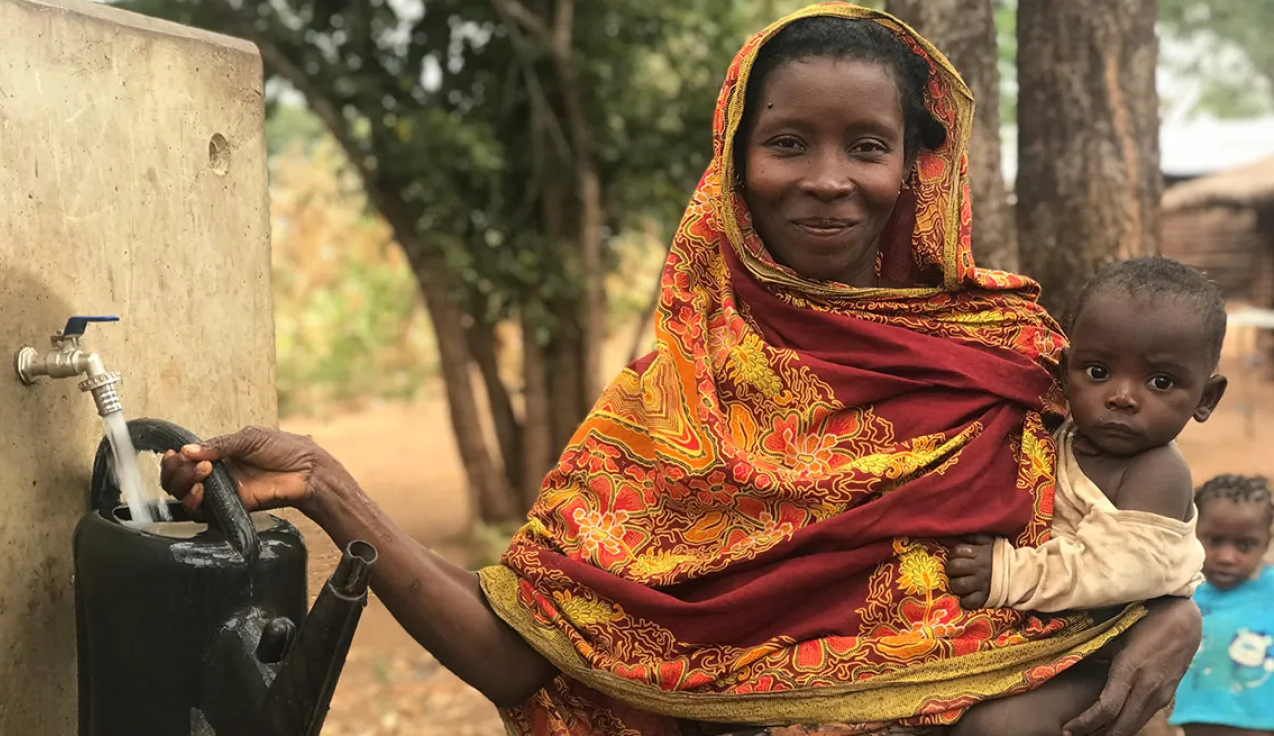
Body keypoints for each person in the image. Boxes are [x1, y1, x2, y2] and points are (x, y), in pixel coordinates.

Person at [159, 4, 1204, 735]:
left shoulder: (1013, 357)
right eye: (789, 142)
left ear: (915, 166)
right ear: (733, 164)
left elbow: (1133, 527)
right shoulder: (665, 412)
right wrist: (322, 484)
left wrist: (1171, 613)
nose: (830, 181)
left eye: (867, 146)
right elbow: (521, 653)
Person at [947, 257, 1227, 613]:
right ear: (1064, 372)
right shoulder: (1060, 434)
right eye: (1098, 372)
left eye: (1161, 382)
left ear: (1205, 399)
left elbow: (1118, 570)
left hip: (1110, 641)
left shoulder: (1157, 473)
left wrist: (1007, 574)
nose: (1122, 397)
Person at [1168, 474, 1274, 736]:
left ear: (1266, 544)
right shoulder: (1178, 591)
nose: (1227, 557)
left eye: (1244, 545)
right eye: (1214, 541)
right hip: (1193, 726)